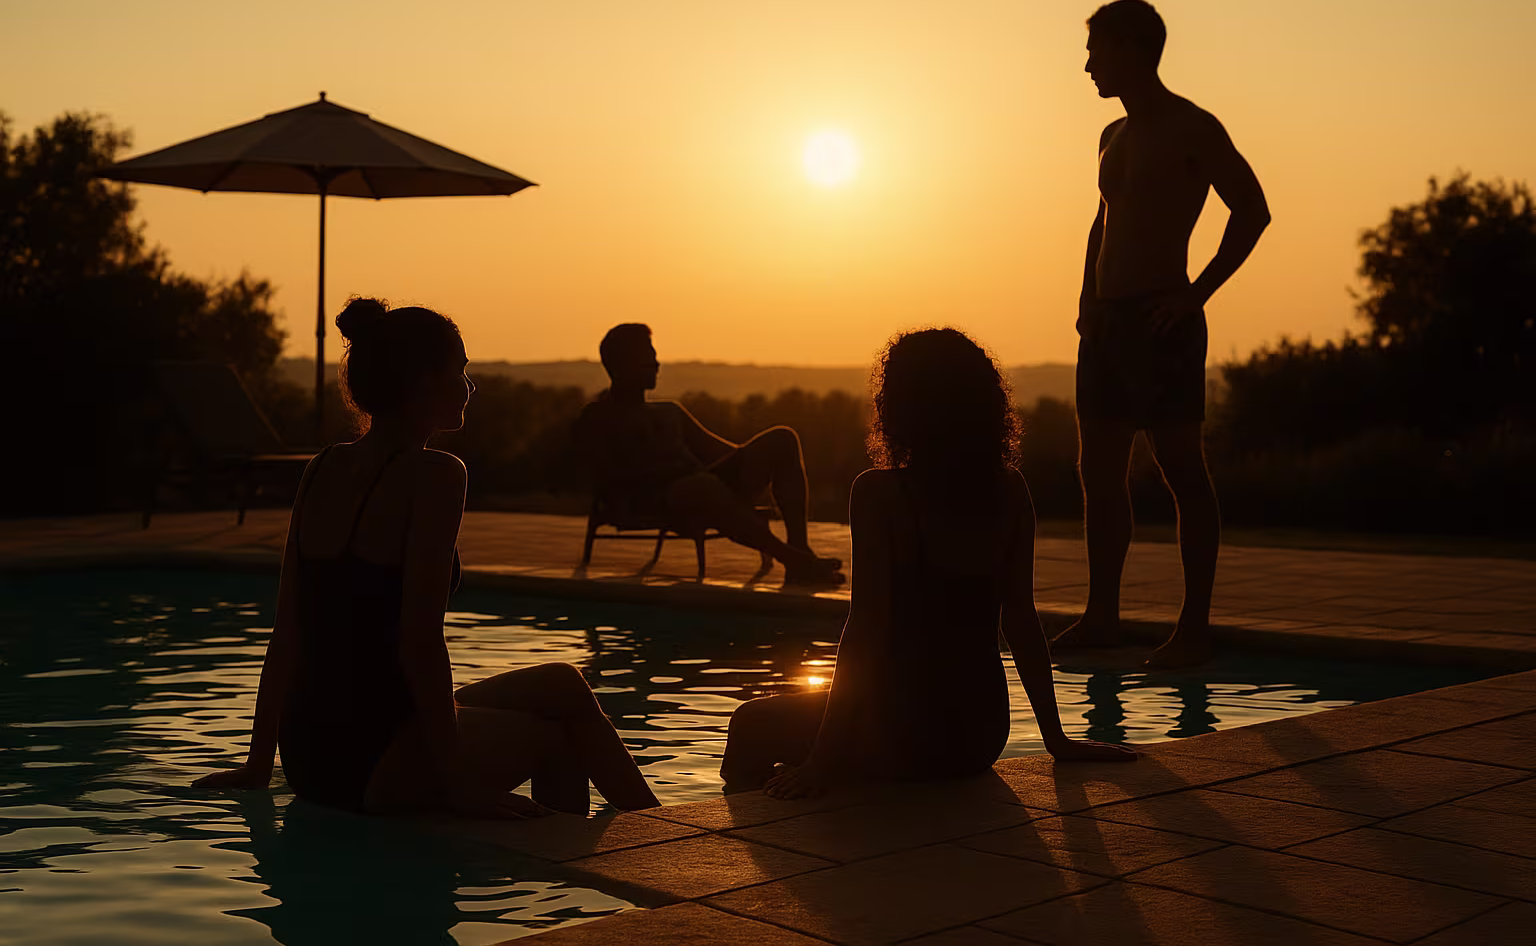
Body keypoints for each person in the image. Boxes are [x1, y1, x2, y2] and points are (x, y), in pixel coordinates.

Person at [192, 297, 658, 817]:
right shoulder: (436, 475)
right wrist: (457, 781)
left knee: (564, 683)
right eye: (459, 369)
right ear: (421, 381)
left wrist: (259, 766)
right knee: (557, 738)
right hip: (379, 755)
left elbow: (286, 634)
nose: (469, 384)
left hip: (309, 756)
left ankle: (660, 826)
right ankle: (609, 862)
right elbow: (420, 642)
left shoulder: (321, 467)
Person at [720, 328, 1136, 798]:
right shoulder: (1009, 490)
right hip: (978, 737)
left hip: (903, 733)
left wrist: (823, 759)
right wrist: (1056, 740)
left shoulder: (879, 493)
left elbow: (866, 631)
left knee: (749, 724)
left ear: (899, 407)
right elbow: (1021, 620)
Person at [1055, 0, 1271, 668]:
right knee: (1098, 472)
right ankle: (1102, 616)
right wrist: (1087, 300)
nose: (1087, 63)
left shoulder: (1192, 127)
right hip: (1109, 325)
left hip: (1162, 319)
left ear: (1130, 48)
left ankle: (1194, 626)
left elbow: (1253, 211)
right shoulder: (1109, 136)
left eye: (1096, 48)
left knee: (1182, 471)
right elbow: (1103, 222)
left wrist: (1195, 293)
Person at [573, 322, 844, 585]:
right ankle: (794, 561)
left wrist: (757, 464)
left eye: (654, 357)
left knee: (782, 438)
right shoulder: (600, 416)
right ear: (622, 366)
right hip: (659, 499)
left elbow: (726, 452)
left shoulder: (669, 412)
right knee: (700, 486)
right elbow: (604, 476)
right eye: (647, 358)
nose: (656, 365)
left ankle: (800, 548)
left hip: (703, 488)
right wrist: (667, 472)